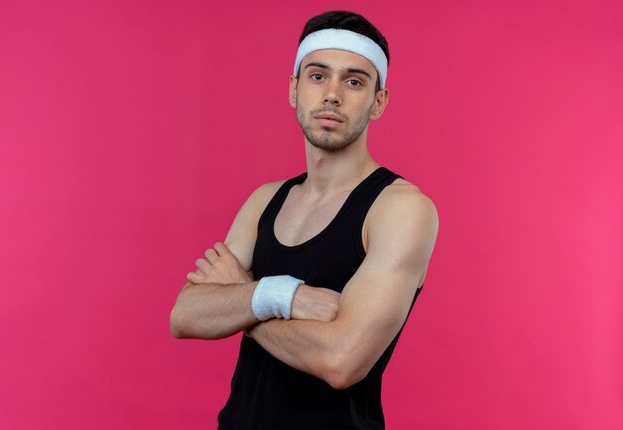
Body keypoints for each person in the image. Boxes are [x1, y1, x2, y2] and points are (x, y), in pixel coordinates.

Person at [170, 10, 439, 429]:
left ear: (378, 101)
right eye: (317, 76)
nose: (332, 94)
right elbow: (185, 314)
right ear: (295, 90)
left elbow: (341, 361)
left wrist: (246, 297)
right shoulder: (265, 200)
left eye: (354, 81)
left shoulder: (400, 208)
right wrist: (287, 297)